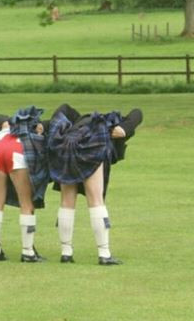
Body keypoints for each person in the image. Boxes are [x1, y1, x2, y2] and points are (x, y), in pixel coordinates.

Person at [47, 104, 143, 265]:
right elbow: (137, 113)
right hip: (92, 145)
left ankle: (66, 253)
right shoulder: (113, 125)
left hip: (66, 145)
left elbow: (62, 109)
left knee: (66, 201)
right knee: (96, 200)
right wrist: (125, 129)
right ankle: (104, 254)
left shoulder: (74, 120)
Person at [0, 106, 49, 263]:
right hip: (17, 151)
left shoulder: (3, 129)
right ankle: (28, 251)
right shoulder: (32, 134)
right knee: (27, 203)